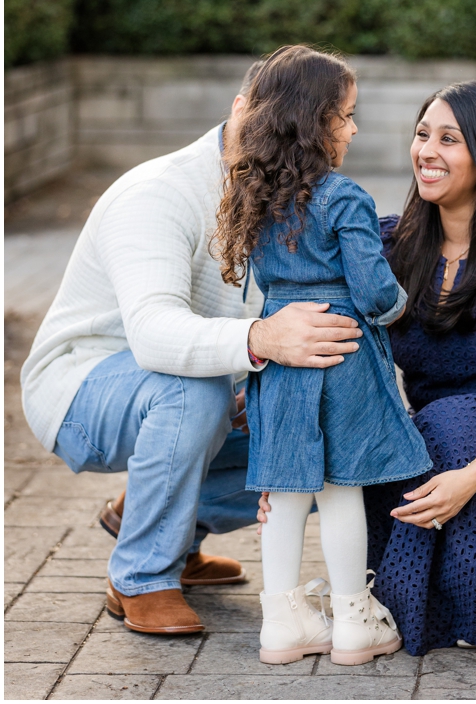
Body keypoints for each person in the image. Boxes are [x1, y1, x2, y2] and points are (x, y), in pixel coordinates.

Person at [19, 59, 367, 635]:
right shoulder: (158, 193)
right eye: (343, 116)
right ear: (251, 112)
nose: (353, 131)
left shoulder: (289, 197)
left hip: (203, 385)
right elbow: (154, 333)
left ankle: (167, 530)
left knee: (333, 436)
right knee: (194, 395)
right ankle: (142, 576)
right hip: (80, 390)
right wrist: (261, 340)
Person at [258, 80, 476, 656]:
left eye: (449, 139)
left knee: (441, 432)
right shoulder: (389, 244)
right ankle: (370, 609)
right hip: (438, 441)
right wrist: (283, 459)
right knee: (389, 444)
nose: (427, 152)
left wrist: (472, 477)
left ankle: (447, 605)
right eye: (422, 135)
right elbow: (327, 344)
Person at [213, 46, 432, 665]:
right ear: (314, 121)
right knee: (340, 490)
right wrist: (400, 305)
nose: (354, 129)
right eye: (347, 115)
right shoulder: (344, 197)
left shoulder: (254, 194)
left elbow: (263, 283)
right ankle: (354, 621)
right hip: (343, 356)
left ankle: (282, 625)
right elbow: (374, 291)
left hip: (283, 354)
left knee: (284, 493)